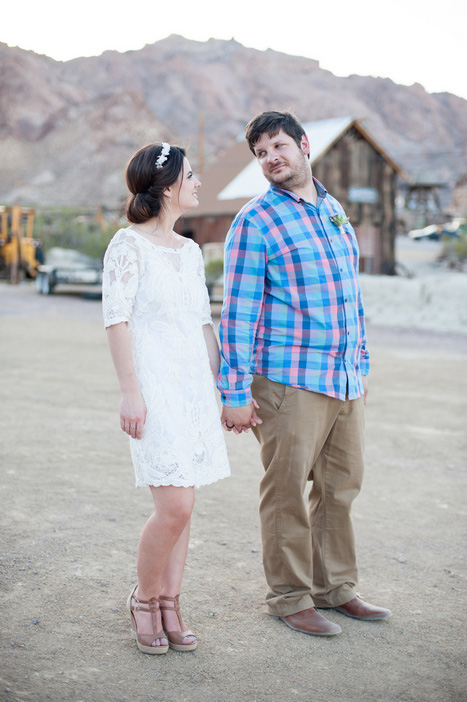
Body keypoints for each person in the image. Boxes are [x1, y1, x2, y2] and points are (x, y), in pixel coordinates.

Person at [218, 111, 391, 636]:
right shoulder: (255, 220)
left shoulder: (333, 209)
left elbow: (350, 294)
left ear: (303, 145)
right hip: (287, 381)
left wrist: (359, 363)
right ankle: (291, 597)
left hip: (343, 378)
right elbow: (238, 312)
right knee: (287, 489)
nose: (271, 158)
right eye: (261, 153)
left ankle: (335, 588)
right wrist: (233, 390)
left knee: (340, 487)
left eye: (278, 146)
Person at [102, 142, 230, 654]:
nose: (199, 182)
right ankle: (144, 598)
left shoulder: (192, 249)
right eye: (192, 175)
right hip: (152, 388)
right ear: (169, 186)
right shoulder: (126, 246)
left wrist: (226, 390)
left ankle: (171, 604)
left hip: (194, 388)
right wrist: (130, 393)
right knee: (174, 503)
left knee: (188, 501)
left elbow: (203, 322)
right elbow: (116, 320)